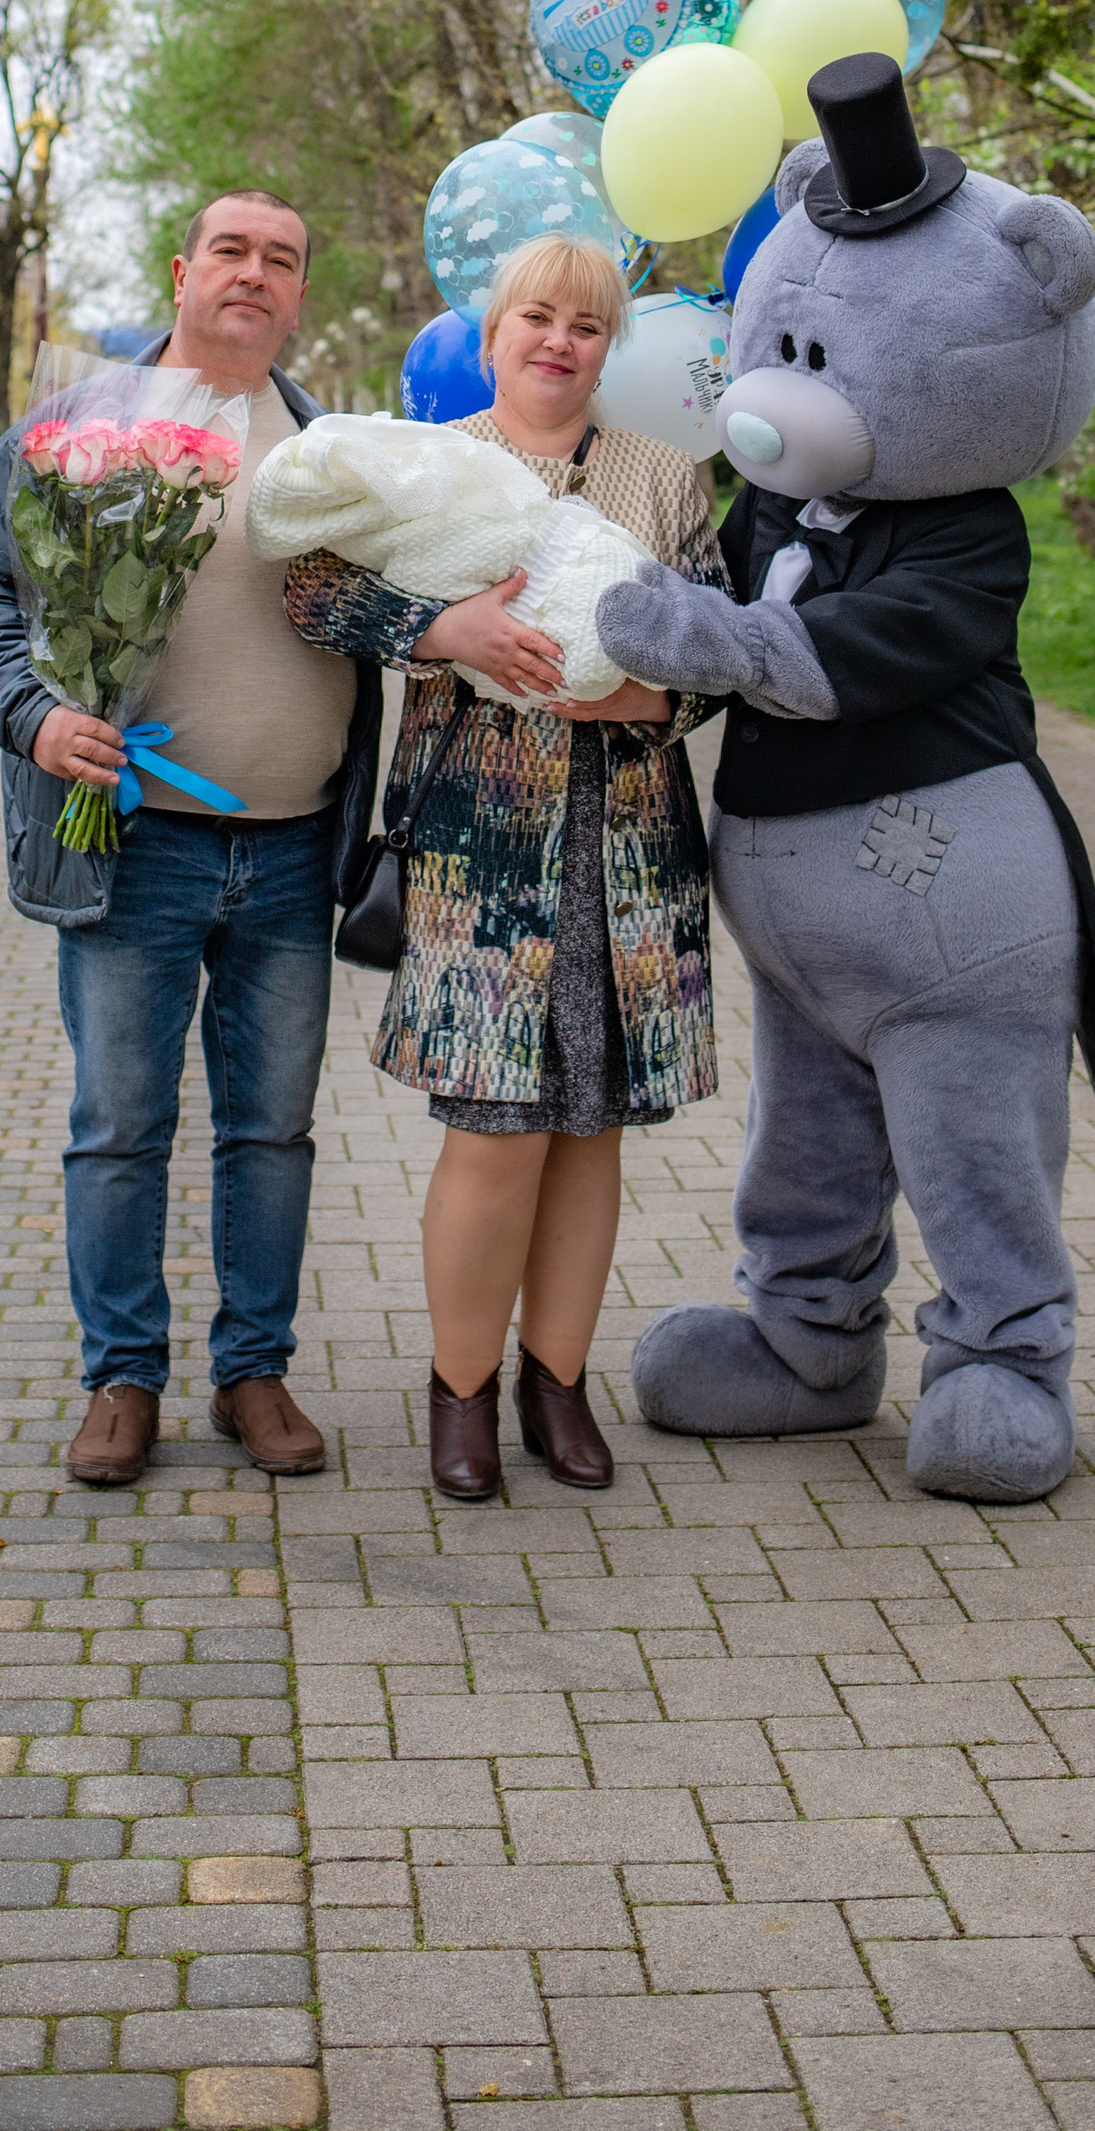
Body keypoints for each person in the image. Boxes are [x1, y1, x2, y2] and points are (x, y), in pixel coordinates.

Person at [0, 191, 382, 1492]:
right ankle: (121, 1380)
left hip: (296, 849)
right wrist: (29, 716)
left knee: (274, 1129)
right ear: (185, 273)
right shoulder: (83, 429)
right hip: (135, 846)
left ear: (301, 292)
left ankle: (254, 1371)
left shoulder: (330, 448)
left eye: (283, 259)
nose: (256, 274)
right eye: (233, 252)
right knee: (120, 1124)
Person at [281, 234, 722, 1502]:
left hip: (631, 847)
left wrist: (642, 698)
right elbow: (308, 595)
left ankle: (558, 1383)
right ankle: (461, 1393)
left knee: (591, 1132)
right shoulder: (433, 461)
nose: (558, 342)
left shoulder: (664, 474)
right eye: (535, 318)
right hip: (482, 846)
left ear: (608, 347)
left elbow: (720, 635)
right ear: (491, 336)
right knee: (493, 1133)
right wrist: (435, 626)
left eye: (586, 326)